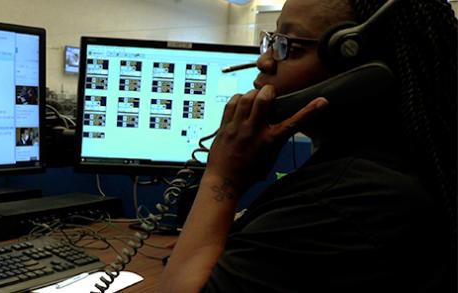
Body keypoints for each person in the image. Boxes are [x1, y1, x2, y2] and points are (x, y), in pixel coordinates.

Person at [162, 0, 457, 292]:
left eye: (288, 46)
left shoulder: (352, 200)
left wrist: (222, 175)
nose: (264, 61)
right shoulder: (378, 166)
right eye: (272, 40)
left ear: (362, 72)